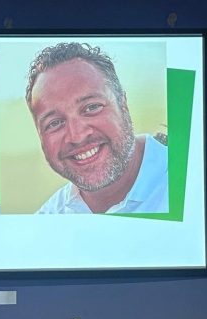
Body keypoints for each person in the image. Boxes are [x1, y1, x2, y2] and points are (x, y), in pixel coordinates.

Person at [26, 42, 168, 215]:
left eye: (92, 107)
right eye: (54, 123)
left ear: (123, 104)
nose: (77, 136)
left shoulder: (188, 182)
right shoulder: (46, 219)